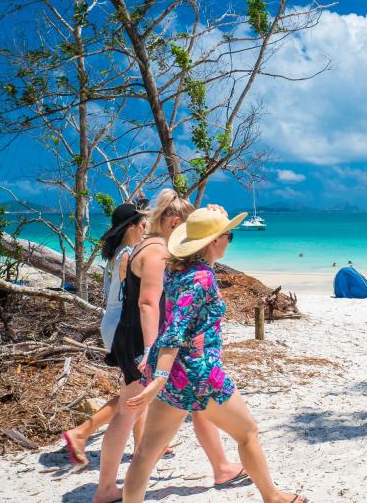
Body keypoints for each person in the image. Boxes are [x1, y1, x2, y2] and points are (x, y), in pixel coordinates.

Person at [122, 208, 307, 503]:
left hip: (175, 373)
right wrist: (158, 377)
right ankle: (272, 497)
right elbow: (176, 328)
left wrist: (162, 374)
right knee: (247, 432)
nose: (230, 241)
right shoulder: (202, 278)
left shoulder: (175, 269)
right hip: (199, 372)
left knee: (145, 452)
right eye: (228, 236)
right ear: (213, 242)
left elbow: (174, 326)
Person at [92, 191, 243, 503]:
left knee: (192, 405)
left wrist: (213, 214)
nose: (189, 241)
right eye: (186, 231)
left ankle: (221, 466)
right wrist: (152, 351)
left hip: (142, 336)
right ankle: (106, 487)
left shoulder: (147, 244)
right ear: (174, 223)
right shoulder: (158, 250)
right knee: (128, 412)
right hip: (144, 339)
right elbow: (149, 303)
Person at [62, 203, 147, 466]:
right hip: (125, 323)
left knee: (137, 384)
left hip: (114, 320)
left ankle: (143, 445)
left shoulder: (118, 254)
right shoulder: (128, 256)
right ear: (131, 226)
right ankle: (82, 432)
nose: (146, 227)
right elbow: (140, 292)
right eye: (143, 223)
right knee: (136, 389)